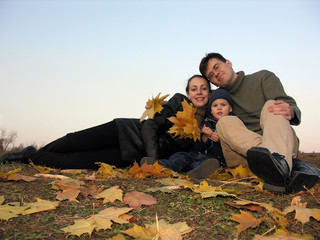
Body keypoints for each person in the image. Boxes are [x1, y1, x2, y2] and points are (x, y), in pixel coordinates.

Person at [0, 75, 211, 169]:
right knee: (70, 141)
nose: (199, 92)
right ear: (187, 92)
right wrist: (153, 161)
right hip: (125, 132)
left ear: (210, 93)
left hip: (129, 156)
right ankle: (28, 152)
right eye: (194, 88)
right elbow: (149, 125)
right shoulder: (178, 102)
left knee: (71, 162)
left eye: (203, 88)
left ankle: (31, 156)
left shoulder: (205, 125)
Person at [199, 52, 320, 193]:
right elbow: (198, 105)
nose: (216, 74)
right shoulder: (219, 100)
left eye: (217, 67)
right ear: (213, 82)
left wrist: (291, 111)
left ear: (228, 63)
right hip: (243, 157)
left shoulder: (263, 78)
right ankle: (285, 166)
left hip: (281, 141)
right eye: (211, 75)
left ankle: (277, 165)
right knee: (224, 122)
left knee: (272, 105)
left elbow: (288, 104)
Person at [141, 88, 233, 179]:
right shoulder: (206, 123)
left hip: (214, 157)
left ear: (231, 109)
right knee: (180, 156)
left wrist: (219, 140)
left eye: (223, 105)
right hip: (197, 154)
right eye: (215, 106)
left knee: (204, 163)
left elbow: (234, 143)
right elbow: (198, 145)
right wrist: (204, 137)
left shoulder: (233, 123)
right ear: (211, 110)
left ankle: (198, 172)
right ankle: (160, 166)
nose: (219, 108)